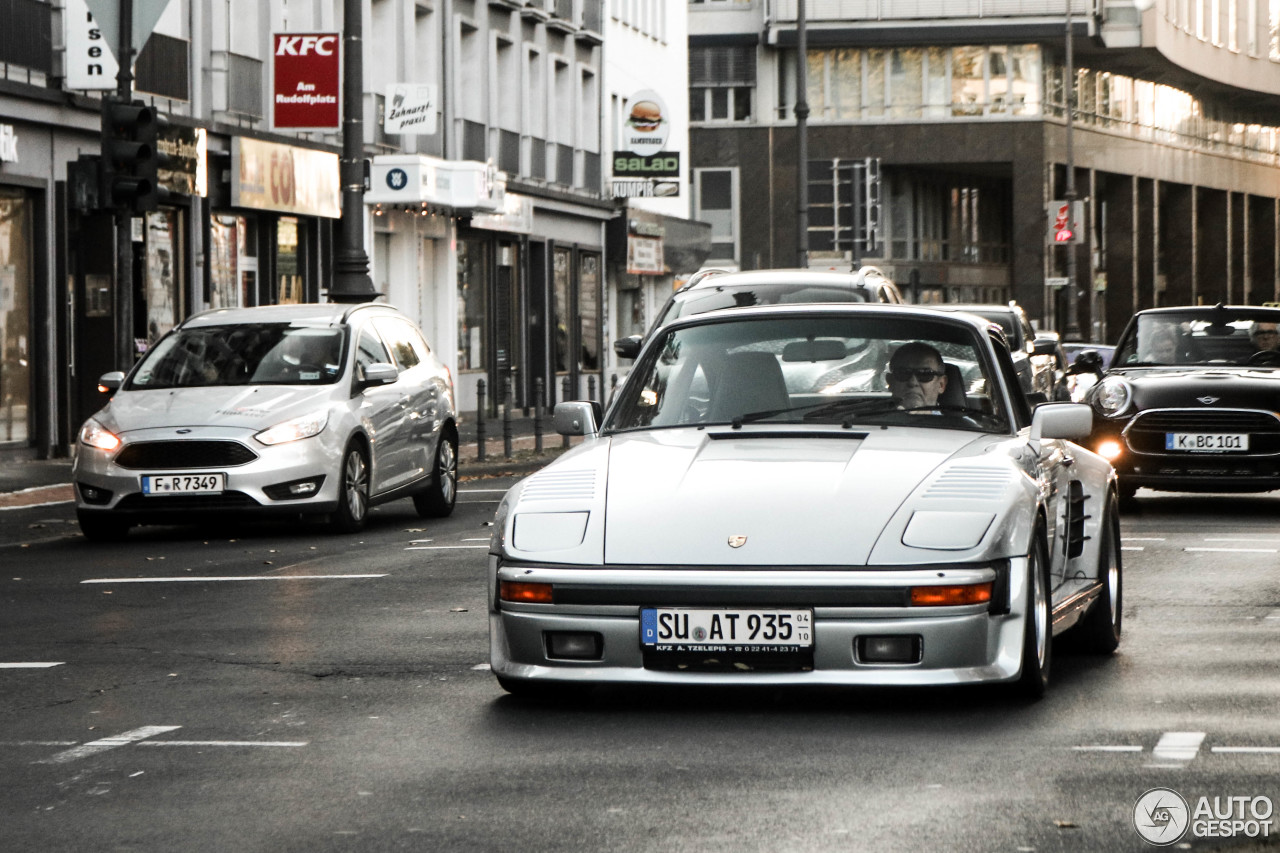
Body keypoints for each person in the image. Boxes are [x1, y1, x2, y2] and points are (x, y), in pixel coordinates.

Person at [885, 341, 948, 410]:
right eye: (903, 373)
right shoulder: (873, 417)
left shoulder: (951, 421)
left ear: (941, 384)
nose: (912, 382)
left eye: (925, 374)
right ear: (890, 381)